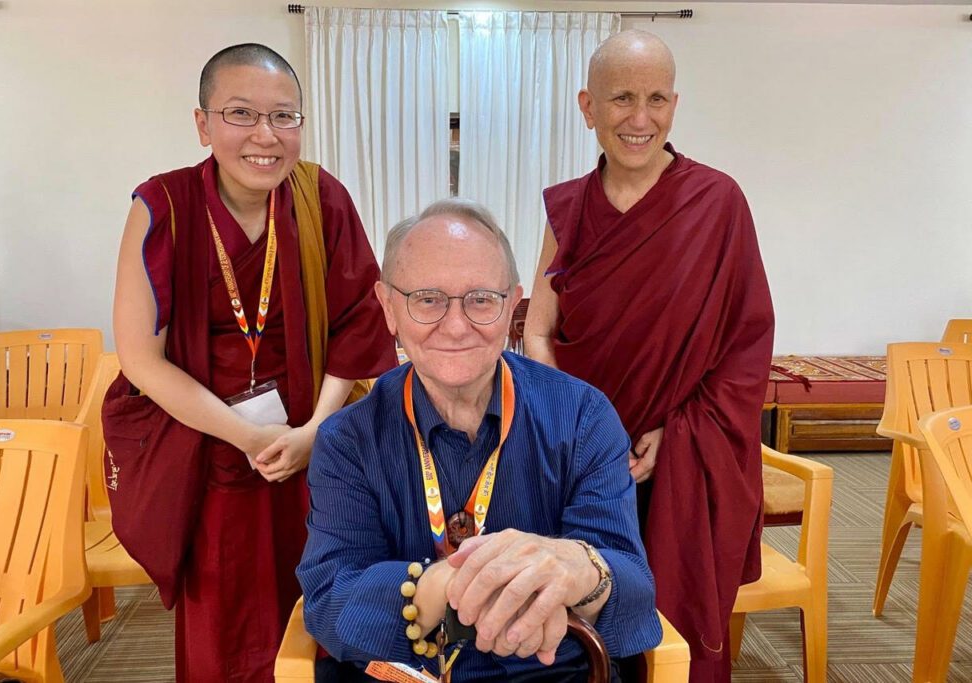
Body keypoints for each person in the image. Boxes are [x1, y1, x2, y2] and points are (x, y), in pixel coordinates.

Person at [110, 43, 397, 681]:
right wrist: (248, 436)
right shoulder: (163, 207)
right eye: (241, 114)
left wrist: (314, 433)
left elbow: (357, 323)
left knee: (319, 607)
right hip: (210, 451)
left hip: (314, 451)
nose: (266, 137)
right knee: (225, 625)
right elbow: (140, 358)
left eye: (285, 117)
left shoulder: (320, 196)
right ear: (203, 123)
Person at [298, 199, 662, 682]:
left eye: (481, 300)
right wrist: (447, 584)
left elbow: (634, 595)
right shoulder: (348, 439)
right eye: (427, 299)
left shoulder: (582, 416)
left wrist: (580, 569)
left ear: (512, 304)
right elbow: (332, 601)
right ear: (388, 308)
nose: (455, 326)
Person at [523, 30, 775, 683]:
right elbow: (539, 333)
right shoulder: (566, 209)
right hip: (579, 458)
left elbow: (747, 343)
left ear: (675, 103)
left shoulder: (717, 203)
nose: (640, 118)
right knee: (575, 622)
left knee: (668, 630)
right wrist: (574, 432)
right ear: (588, 105)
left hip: (679, 458)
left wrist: (674, 430)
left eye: (656, 98)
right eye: (621, 98)